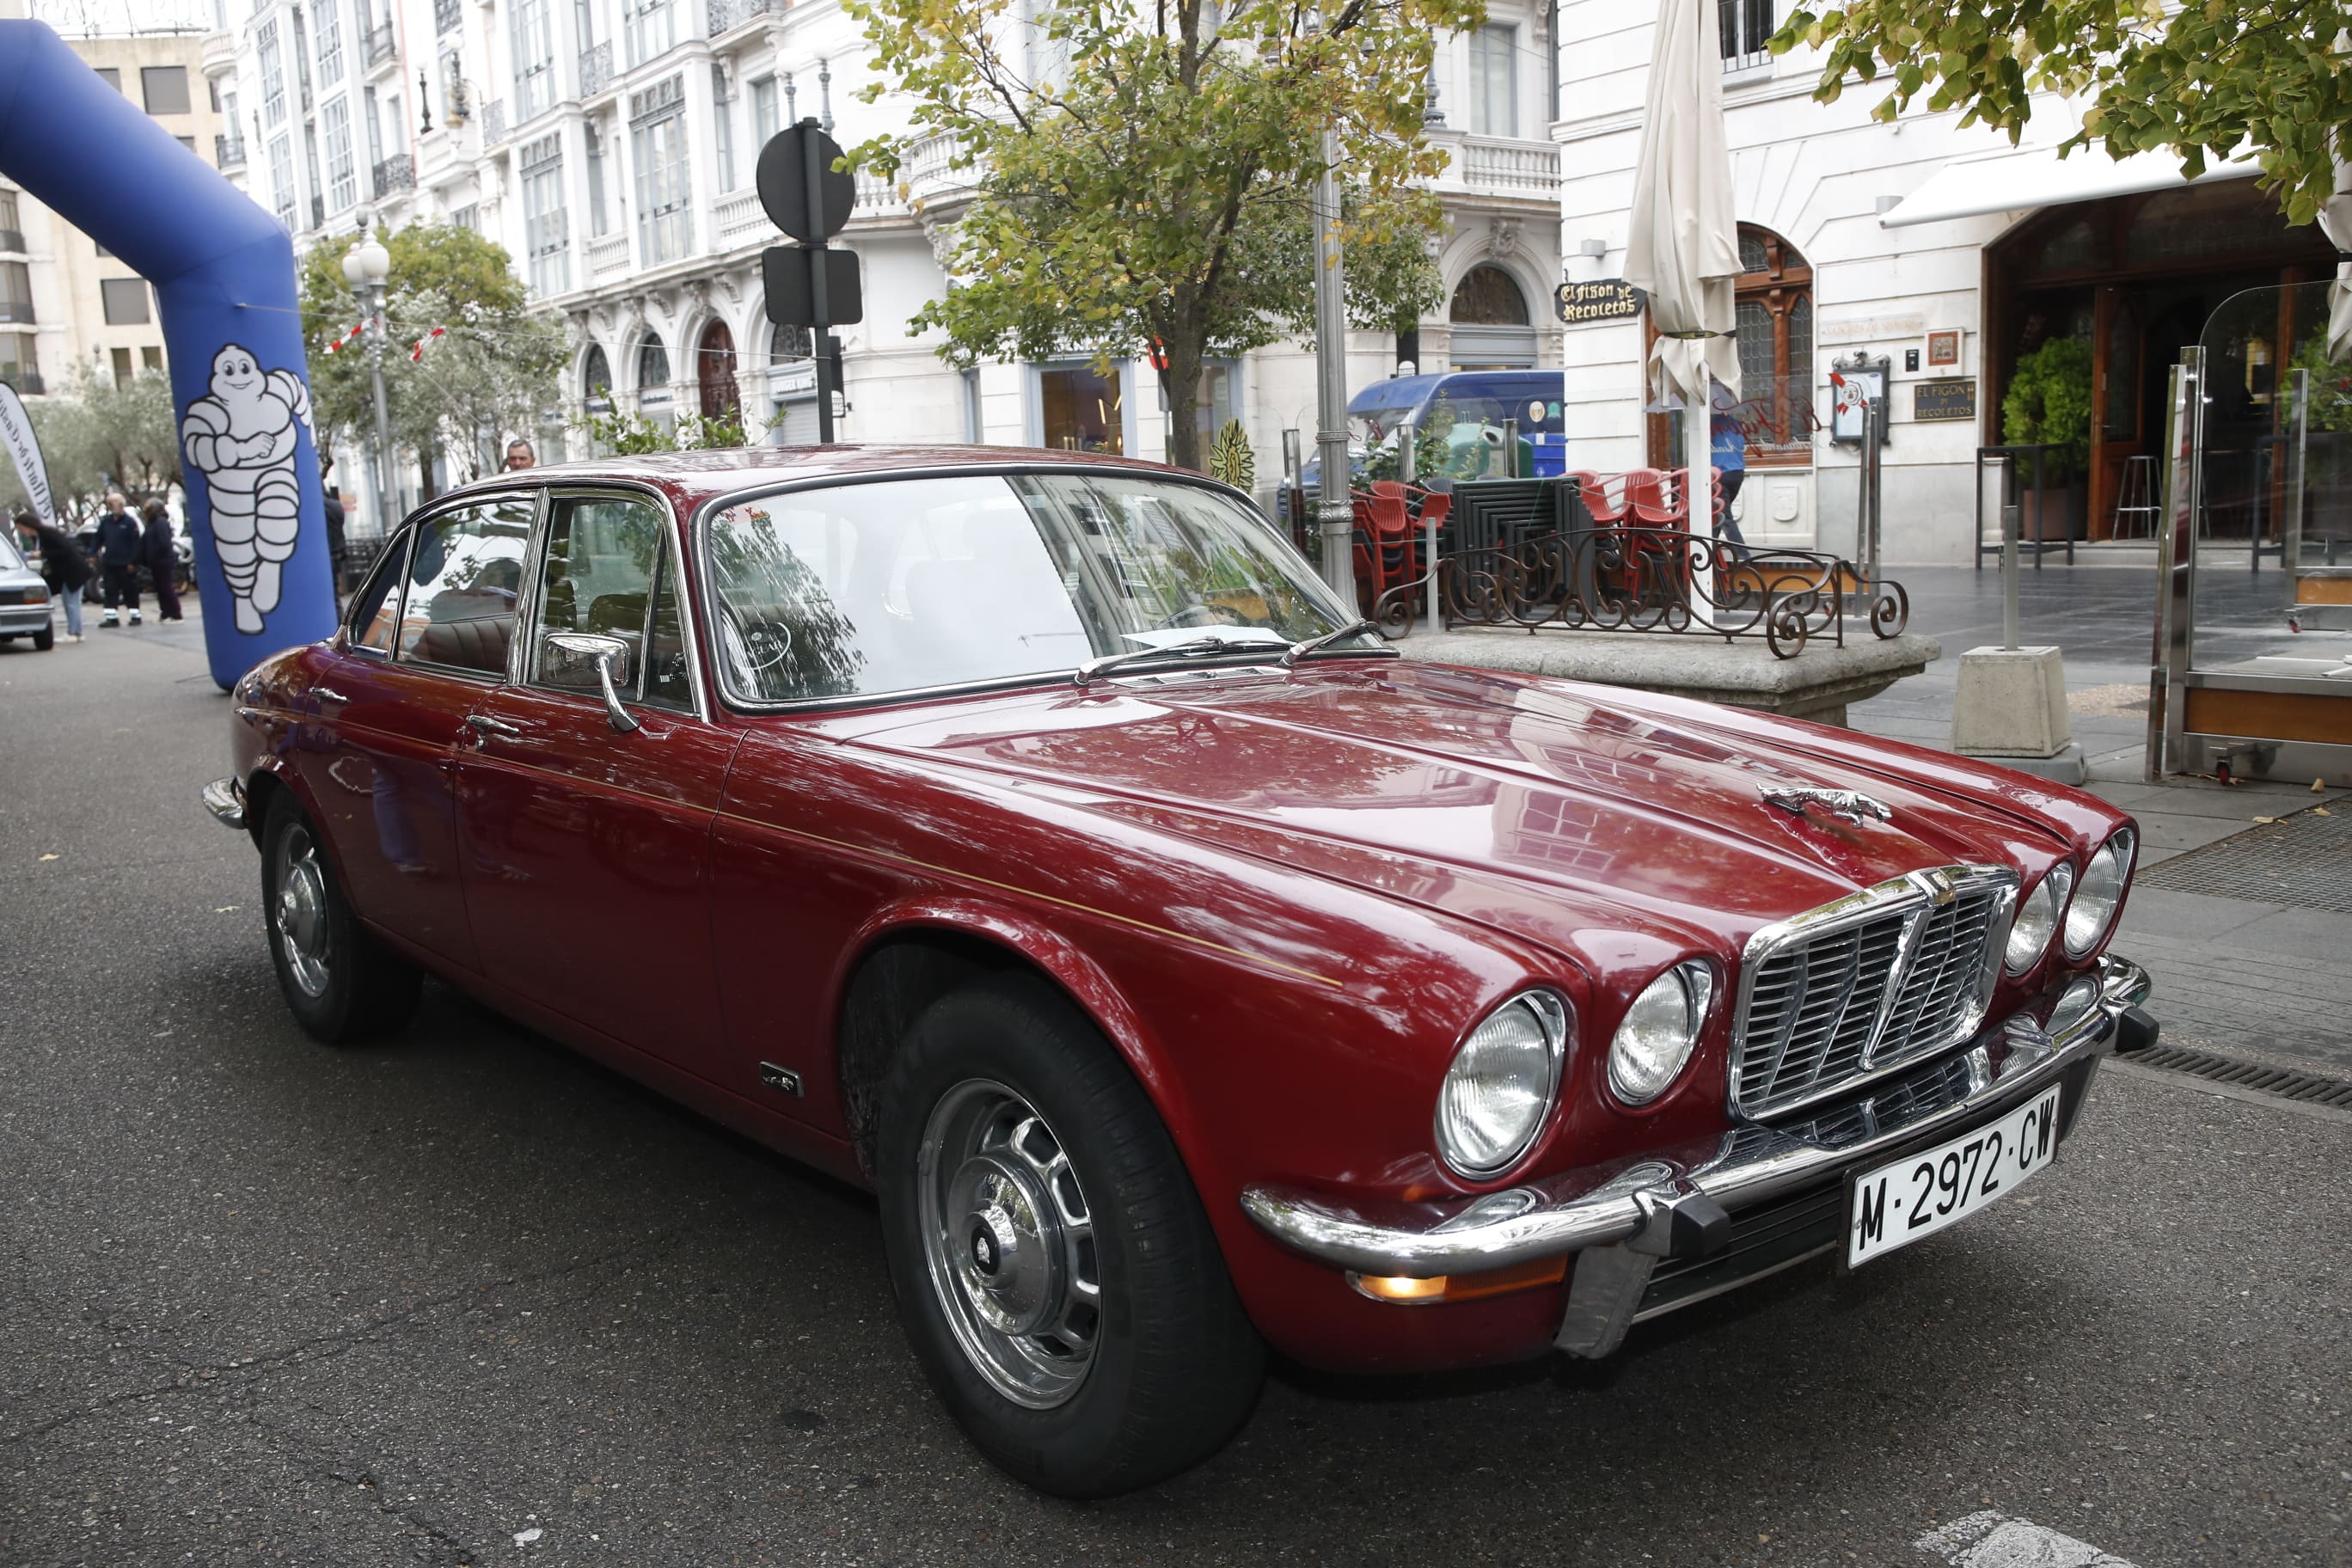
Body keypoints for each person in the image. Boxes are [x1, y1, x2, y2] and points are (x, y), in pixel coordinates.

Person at [15, 509, 88, 642]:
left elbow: (64, 549)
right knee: (69, 602)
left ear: (27, 525)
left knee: (72, 603)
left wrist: (42, 553)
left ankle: (74, 633)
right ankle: (76, 632)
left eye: (21, 528)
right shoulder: (39, 536)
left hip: (74, 571)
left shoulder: (47, 533)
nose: (21, 532)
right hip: (68, 573)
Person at [1709, 377, 1750, 553]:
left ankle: (1743, 555)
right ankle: (1709, 547)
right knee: (1718, 511)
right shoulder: (1735, 424)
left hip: (1720, 475)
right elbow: (1740, 446)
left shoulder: (1710, 426)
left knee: (1724, 516)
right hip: (1737, 473)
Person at [91, 492, 143, 627]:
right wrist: (91, 554)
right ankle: (112, 618)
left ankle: (135, 616)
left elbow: (136, 544)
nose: (114, 506)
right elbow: (98, 539)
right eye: (110, 503)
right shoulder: (106, 522)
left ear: (122, 504)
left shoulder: (130, 522)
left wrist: (133, 561)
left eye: (116, 503)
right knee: (110, 591)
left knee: (130, 591)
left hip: (126, 564)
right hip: (110, 564)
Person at [139, 499, 183, 622]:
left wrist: (156, 554)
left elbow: (164, 543)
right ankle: (165, 613)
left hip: (162, 560)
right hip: (155, 561)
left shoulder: (160, 522)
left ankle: (175, 614)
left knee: (166, 587)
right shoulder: (151, 523)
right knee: (160, 588)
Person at [319, 454, 347, 607]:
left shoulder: (316, 508)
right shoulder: (336, 506)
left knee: (328, 597)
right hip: (337, 554)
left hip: (324, 556)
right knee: (335, 596)